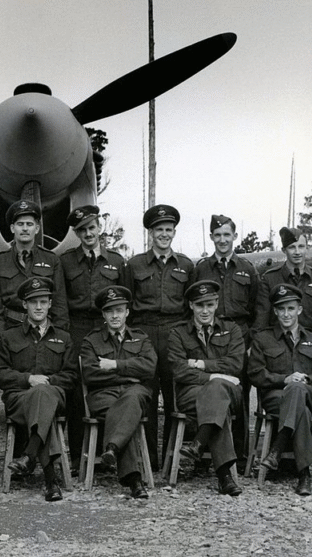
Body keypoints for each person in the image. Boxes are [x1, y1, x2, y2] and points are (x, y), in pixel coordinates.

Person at [0, 276, 77, 502]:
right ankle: (50, 480)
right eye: (33, 302)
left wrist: (47, 382)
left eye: (43, 302)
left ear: (50, 304)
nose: (38, 307)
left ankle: (30, 455)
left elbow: (71, 376)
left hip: (53, 396)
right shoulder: (9, 337)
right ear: (24, 305)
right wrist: (28, 379)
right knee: (41, 404)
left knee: (43, 396)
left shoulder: (64, 337)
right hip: (19, 399)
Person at [126, 204, 193, 468]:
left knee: (175, 397)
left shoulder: (185, 265)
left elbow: (190, 307)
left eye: (168, 229)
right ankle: (149, 459)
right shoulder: (135, 264)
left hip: (175, 334)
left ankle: (171, 459)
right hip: (144, 334)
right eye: (159, 230)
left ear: (174, 232)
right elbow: (128, 305)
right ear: (150, 233)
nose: (164, 234)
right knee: (147, 396)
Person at [58, 204, 127, 464]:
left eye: (92, 228)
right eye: (82, 230)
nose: (88, 234)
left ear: (100, 228)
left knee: (109, 383)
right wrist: (65, 335)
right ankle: (79, 456)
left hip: (107, 328)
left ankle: (110, 449)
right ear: (77, 233)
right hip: (76, 328)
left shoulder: (116, 261)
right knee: (77, 391)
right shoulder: (65, 261)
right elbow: (60, 301)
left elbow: (123, 301)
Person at [191, 214, 260, 469]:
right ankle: (203, 455)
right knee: (208, 391)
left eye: (227, 235)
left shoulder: (247, 268)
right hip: (209, 335)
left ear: (235, 237)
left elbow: (257, 307)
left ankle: (239, 456)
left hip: (238, 335)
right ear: (211, 237)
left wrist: (251, 340)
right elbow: (194, 304)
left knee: (238, 393)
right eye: (218, 235)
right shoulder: (202, 268)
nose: (222, 240)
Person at [249, 283, 312, 496]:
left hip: (308, 393)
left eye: (291, 308)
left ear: (299, 310)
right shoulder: (263, 338)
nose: (286, 314)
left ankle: (277, 447)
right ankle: (304, 475)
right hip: (275, 396)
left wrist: (306, 380)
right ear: (275, 311)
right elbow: (256, 373)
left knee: (298, 390)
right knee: (300, 408)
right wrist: (284, 379)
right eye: (281, 309)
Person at [168, 280, 245, 496]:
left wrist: (201, 364)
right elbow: (179, 371)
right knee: (217, 398)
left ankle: (199, 443)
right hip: (190, 394)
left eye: (209, 305)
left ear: (217, 304)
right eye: (200, 305)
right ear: (191, 305)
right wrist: (215, 375)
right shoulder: (178, 333)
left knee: (217, 391)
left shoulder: (232, 329)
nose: (205, 311)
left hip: (229, 392)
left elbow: (235, 365)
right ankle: (224, 476)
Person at [80, 285, 157, 499]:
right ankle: (133, 479)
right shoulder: (91, 341)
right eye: (110, 311)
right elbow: (90, 374)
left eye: (119, 310)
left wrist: (114, 365)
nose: (115, 315)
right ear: (103, 315)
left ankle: (114, 449)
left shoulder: (141, 338)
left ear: (127, 312)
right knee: (127, 412)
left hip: (135, 392)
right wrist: (130, 374)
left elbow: (149, 368)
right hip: (103, 395)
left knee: (131, 400)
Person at [0, 199, 69, 338]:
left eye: (29, 224)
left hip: (44, 330)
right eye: (20, 224)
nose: (25, 228)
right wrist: (2, 336)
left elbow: (59, 303)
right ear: (12, 228)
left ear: (37, 229)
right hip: (11, 328)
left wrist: (57, 336)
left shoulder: (51, 260)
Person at [256, 227, 312, 344]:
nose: (297, 252)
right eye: (292, 247)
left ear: (307, 248)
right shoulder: (269, 279)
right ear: (284, 250)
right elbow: (261, 318)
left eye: (301, 247)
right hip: (279, 342)